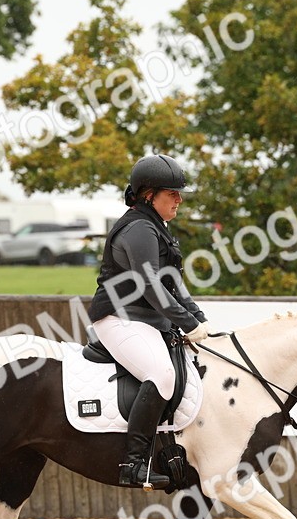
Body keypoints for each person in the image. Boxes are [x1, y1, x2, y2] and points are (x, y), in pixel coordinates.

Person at [87, 154, 212, 490]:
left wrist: (199, 319)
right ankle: (134, 464)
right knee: (161, 374)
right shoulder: (139, 228)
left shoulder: (157, 227)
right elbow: (150, 284)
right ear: (148, 195)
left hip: (148, 321)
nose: (179, 199)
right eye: (172, 193)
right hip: (119, 318)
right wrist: (186, 322)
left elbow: (173, 282)